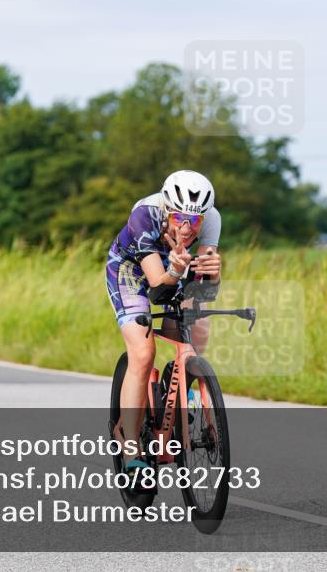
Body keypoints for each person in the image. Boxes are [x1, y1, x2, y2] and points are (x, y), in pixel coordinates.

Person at [105, 170, 222, 479]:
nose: (186, 228)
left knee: (195, 332)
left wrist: (214, 273)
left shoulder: (211, 220)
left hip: (175, 268)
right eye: (180, 218)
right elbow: (158, 287)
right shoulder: (145, 214)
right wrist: (176, 268)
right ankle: (131, 450)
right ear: (167, 210)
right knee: (143, 353)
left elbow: (204, 291)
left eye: (194, 222)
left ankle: (179, 384)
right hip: (133, 271)